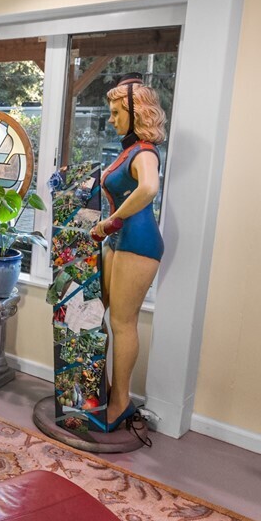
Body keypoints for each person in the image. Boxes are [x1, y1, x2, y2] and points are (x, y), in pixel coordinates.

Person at [86, 76, 166, 433]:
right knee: (97, 313)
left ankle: (120, 402)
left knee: (122, 322)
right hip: (117, 240)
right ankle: (102, 391)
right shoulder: (127, 151)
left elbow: (148, 188)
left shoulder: (145, 152)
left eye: (117, 112)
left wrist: (110, 222)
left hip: (138, 241)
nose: (112, 119)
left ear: (136, 114)